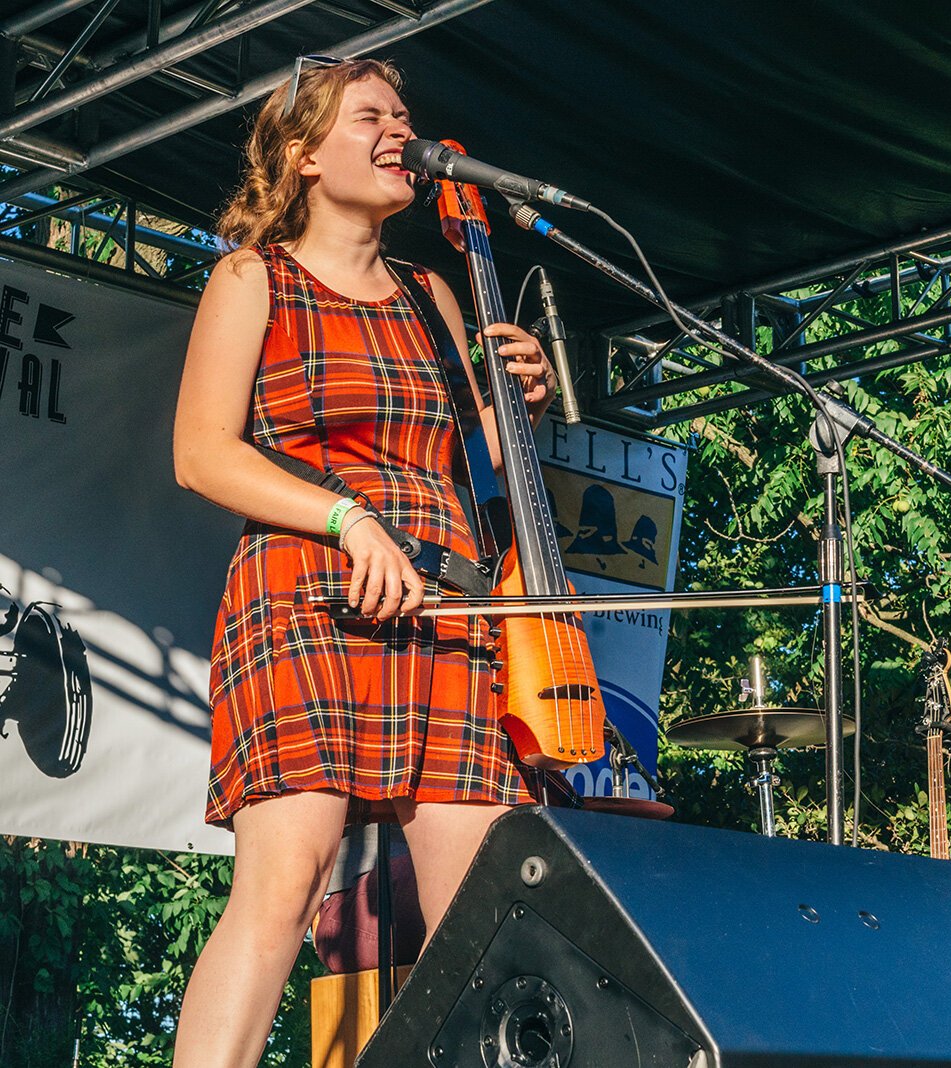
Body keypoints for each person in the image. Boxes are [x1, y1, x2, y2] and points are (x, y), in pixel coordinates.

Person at [170, 57, 554, 1065]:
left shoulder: (433, 294)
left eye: (404, 116)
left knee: (484, 920)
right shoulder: (255, 276)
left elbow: (467, 469)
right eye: (369, 116)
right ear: (304, 155)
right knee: (283, 887)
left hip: (445, 605)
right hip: (309, 592)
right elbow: (200, 452)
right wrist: (345, 519)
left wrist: (521, 405)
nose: (400, 132)